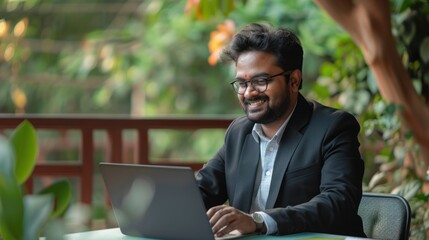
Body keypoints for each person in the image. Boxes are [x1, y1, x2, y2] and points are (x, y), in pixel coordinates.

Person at [195, 23, 366, 237]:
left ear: (293, 80)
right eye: (241, 83)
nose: (248, 93)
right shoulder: (239, 133)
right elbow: (200, 191)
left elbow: (338, 202)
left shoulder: (334, 127)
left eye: (260, 81)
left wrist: (257, 222)